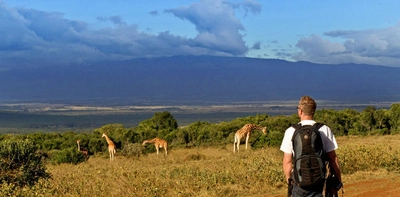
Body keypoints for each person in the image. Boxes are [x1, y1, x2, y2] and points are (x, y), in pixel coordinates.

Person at [280, 96, 342, 197]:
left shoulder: (290, 131)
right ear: (313, 111)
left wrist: (290, 182)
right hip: (320, 184)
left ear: (300, 111)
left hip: (299, 185)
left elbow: (287, 161)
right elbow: (332, 158)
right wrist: (338, 181)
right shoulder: (324, 130)